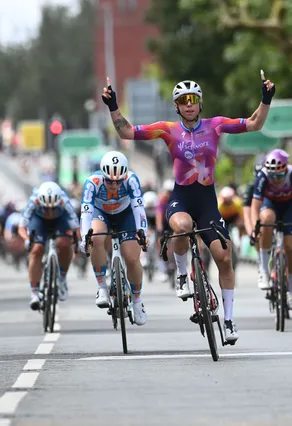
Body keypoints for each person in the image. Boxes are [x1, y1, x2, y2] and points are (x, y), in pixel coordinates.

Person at [101, 71, 277, 343]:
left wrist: (266, 99)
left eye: (193, 99)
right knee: (182, 228)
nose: (189, 104)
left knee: (224, 258)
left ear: (200, 102)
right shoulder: (168, 130)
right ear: (177, 106)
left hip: (207, 201)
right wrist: (113, 106)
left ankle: (228, 321)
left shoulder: (216, 126)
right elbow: (127, 131)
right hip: (181, 198)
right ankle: (182, 275)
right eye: (183, 101)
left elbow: (254, 123)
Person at [79, 151, 149, 326]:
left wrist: (143, 232)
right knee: (95, 238)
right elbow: (86, 212)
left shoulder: (131, 180)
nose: (114, 184)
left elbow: (139, 208)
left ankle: (138, 301)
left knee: (132, 258)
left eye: (118, 181)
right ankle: (102, 286)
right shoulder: (92, 183)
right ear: (103, 175)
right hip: (100, 213)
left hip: (125, 215)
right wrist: (84, 237)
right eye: (110, 180)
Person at [250, 149, 292, 310]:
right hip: (270, 204)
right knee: (266, 220)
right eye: (272, 176)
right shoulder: (263, 175)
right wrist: (256, 227)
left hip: (289, 207)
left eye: (278, 176)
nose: (275, 179)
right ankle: (263, 270)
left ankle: (291, 290)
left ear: (285, 169)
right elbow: (255, 206)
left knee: (291, 248)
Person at [18, 181, 80, 310]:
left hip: (60, 220)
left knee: (64, 243)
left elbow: (76, 228)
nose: (50, 212)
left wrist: (78, 242)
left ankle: (62, 278)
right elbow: (22, 227)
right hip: (39, 220)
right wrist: (27, 240)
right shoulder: (33, 201)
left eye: (53, 208)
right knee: (36, 250)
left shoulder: (64, 202)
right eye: (46, 208)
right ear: (40, 202)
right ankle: (34, 292)